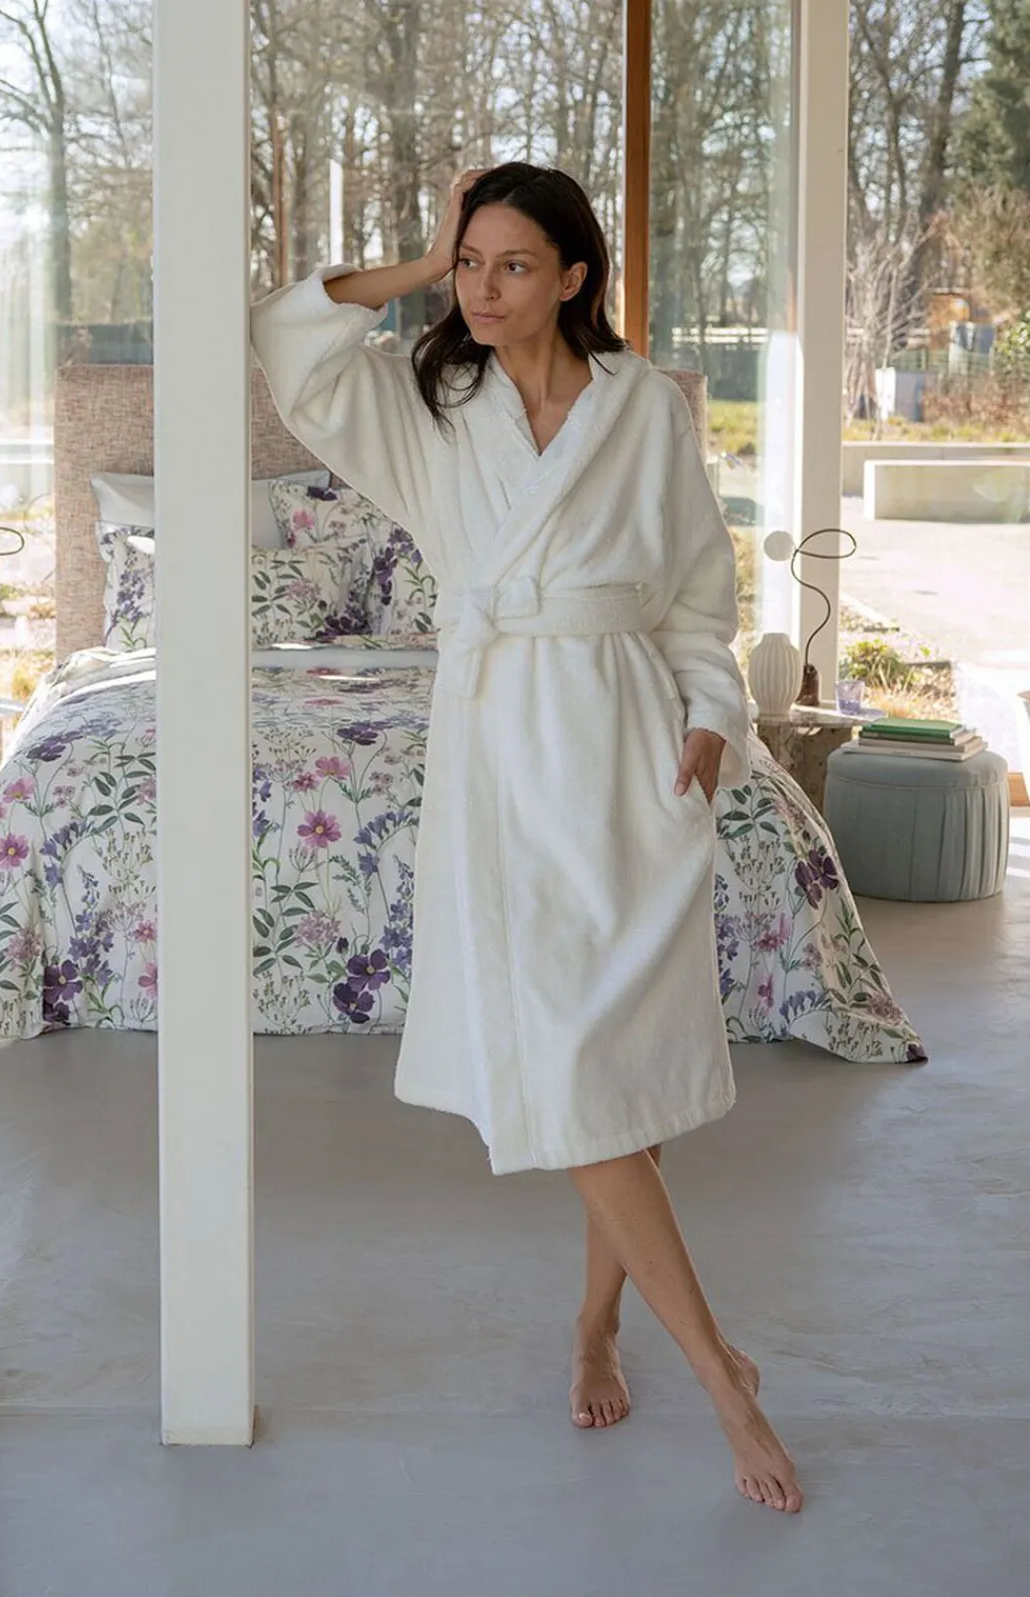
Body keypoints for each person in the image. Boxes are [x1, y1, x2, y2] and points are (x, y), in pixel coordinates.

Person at [250, 162, 802, 1514]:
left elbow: (694, 595)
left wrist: (712, 718)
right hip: (502, 750)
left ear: (573, 276)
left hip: (625, 750)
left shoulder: (646, 408)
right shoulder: (433, 407)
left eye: (512, 265)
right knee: (571, 1061)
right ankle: (724, 1379)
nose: (484, 290)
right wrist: (420, 259)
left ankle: (598, 1324)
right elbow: (291, 346)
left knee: (621, 1068)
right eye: (471, 263)